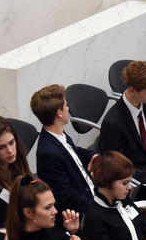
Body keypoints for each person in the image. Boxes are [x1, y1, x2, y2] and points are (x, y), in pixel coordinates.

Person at [30, 83, 98, 217]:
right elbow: (67, 196)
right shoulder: (48, 153)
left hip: (93, 195)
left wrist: (94, 156)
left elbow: (74, 152)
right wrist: (100, 209)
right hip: (83, 212)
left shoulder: (59, 135)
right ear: (59, 113)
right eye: (66, 106)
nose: (68, 108)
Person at [96, 61, 146, 188]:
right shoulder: (112, 123)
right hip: (138, 181)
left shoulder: (145, 102)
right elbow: (117, 168)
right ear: (132, 90)